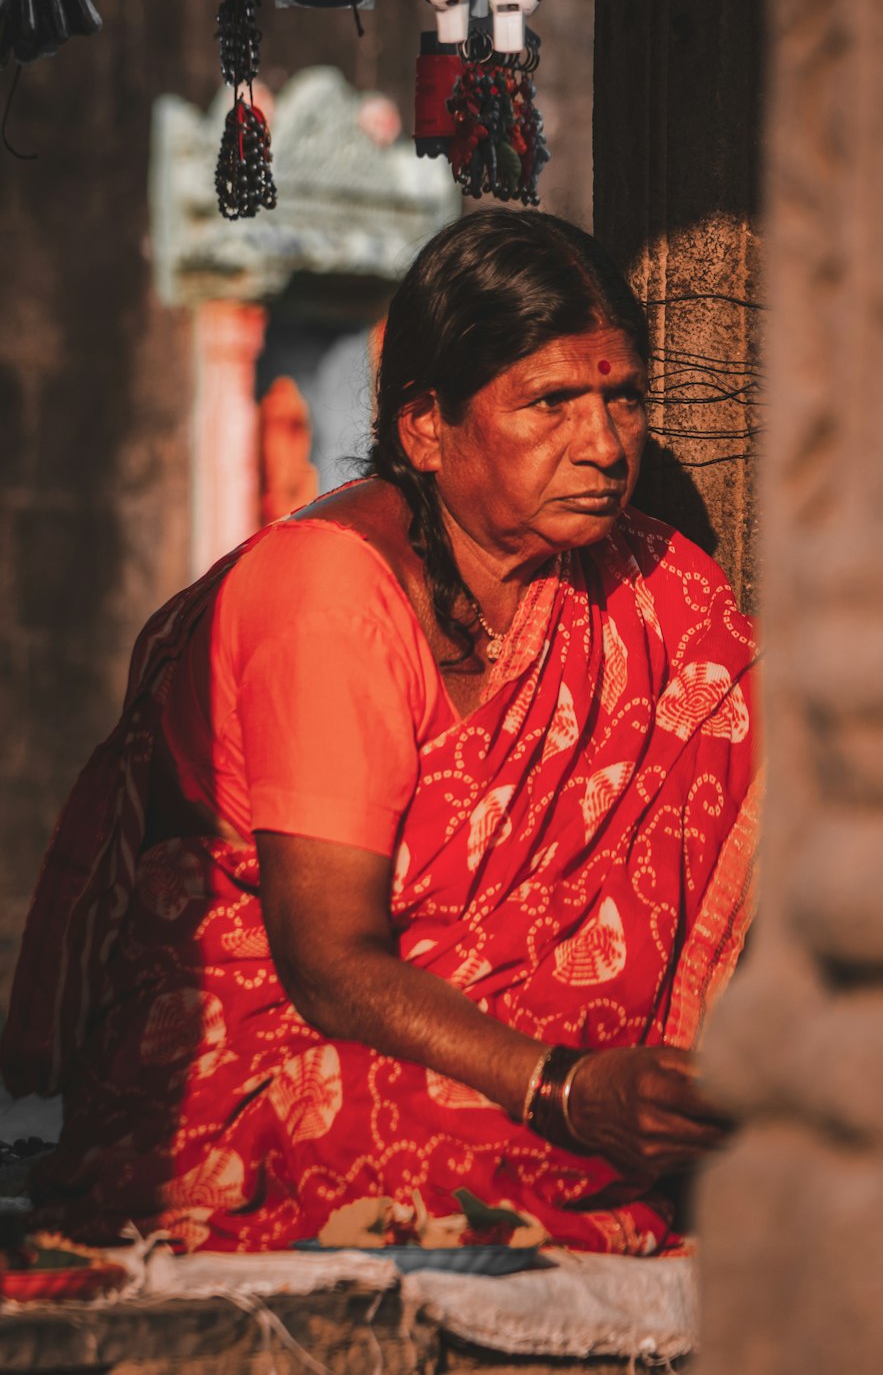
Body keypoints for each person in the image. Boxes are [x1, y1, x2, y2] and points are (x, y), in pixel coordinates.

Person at [1, 209, 760, 1257]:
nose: (602, 443)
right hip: (294, 1042)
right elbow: (326, 964)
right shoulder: (326, 593)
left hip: (541, 1062)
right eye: (551, 402)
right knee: (409, 1150)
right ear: (424, 427)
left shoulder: (649, 583)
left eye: (622, 397)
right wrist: (561, 1085)